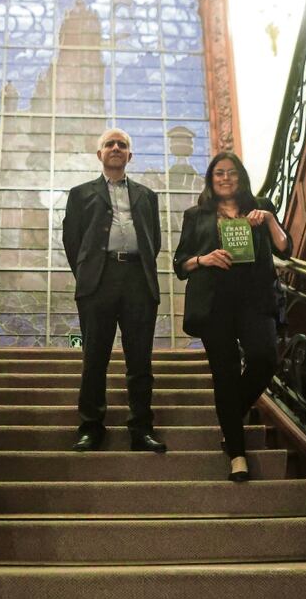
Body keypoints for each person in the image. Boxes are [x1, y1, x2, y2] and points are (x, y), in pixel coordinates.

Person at [172, 152, 291, 481]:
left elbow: (285, 248)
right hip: (214, 305)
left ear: (241, 176)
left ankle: (230, 415)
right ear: (211, 179)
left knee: (264, 358)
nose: (225, 178)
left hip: (255, 300)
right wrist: (205, 258)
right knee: (224, 375)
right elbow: (180, 263)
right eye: (218, 173)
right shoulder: (196, 215)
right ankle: (237, 454)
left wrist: (268, 220)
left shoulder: (261, 206)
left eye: (232, 172)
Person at [62, 128, 166, 453]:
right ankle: (91, 428)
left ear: (130, 156)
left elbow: (154, 242)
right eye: (110, 144)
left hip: (138, 279)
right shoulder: (80, 194)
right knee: (94, 358)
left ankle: (141, 429)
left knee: (140, 361)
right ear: (100, 154)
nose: (116, 148)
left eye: (122, 145)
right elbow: (72, 241)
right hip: (98, 281)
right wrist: (88, 273)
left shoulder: (147, 196)